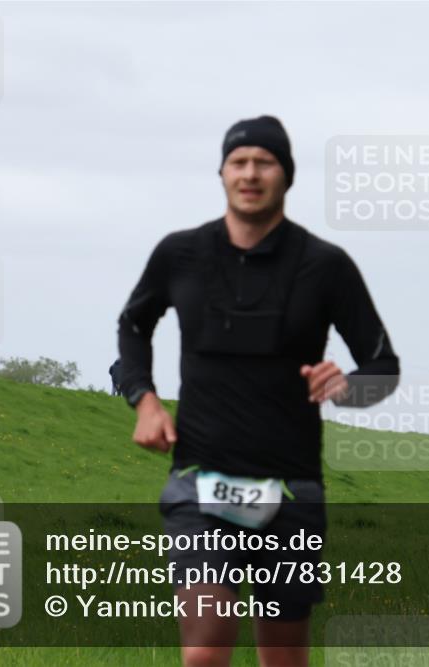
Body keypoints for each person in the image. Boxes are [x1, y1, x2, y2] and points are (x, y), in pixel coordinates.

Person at [118, 115, 399, 667]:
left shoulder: (326, 266)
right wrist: (143, 398)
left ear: (286, 175)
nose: (250, 173)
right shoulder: (180, 253)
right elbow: (133, 323)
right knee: (204, 649)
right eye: (238, 162)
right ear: (222, 173)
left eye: (263, 162)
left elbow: (383, 365)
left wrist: (348, 387)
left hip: (291, 490)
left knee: (284, 658)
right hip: (201, 481)